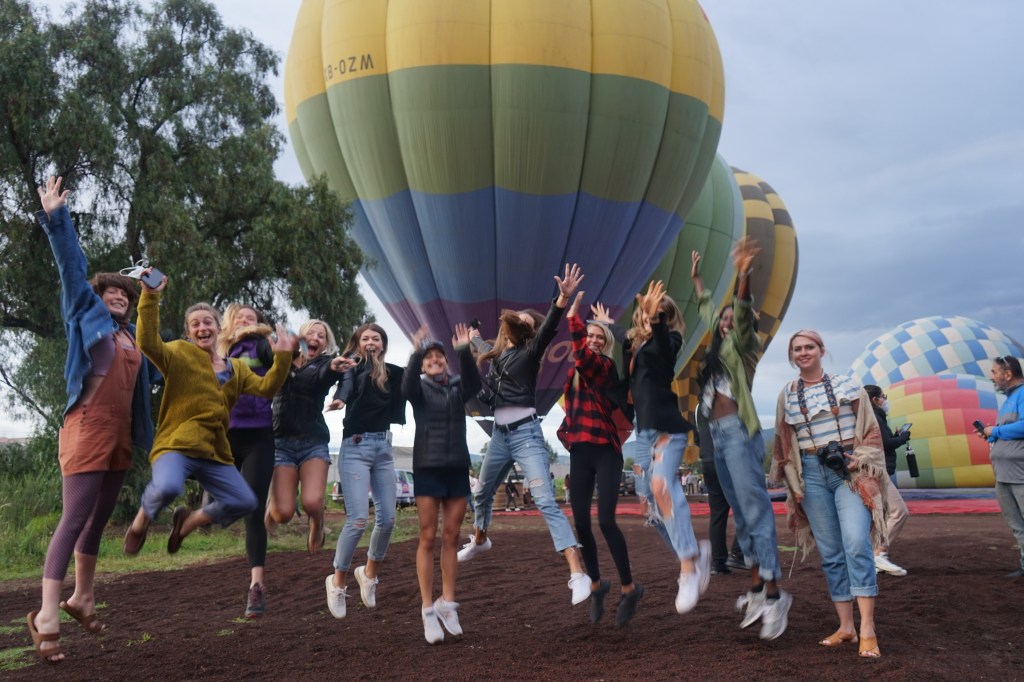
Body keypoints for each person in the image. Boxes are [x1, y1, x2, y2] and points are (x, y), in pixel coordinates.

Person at [27, 176, 159, 662]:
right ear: (97, 296)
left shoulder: (132, 340)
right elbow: (71, 266)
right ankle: (46, 613)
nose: (118, 296)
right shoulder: (84, 312)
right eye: (112, 292)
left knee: (98, 519)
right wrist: (57, 218)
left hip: (120, 436)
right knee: (75, 517)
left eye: (124, 294)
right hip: (86, 427)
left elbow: (155, 377)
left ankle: (82, 596)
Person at [122, 279, 295, 558]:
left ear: (218, 328)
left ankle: (190, 521)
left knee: (244, 501)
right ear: (189, 333)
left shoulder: (236, 368)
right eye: (195, 324)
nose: (202, 328)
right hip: (177, 445)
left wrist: (283, 357)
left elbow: (266, 389)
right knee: (168, 486)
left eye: (207, 322)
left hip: (214, 451)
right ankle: (141, 521)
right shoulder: (178, 353)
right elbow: (147, 341)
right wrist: (150, 296)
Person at [458, 264, 590, 606]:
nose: (520, 322)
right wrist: (472, 334)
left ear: (531, 333)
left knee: (544, 499)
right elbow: (480, 342)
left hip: (526, 436)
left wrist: (561, 301)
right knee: (482, 493)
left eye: (527, 323)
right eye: (519, 319)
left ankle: (577, 573)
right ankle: (480, 539)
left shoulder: (531, 353)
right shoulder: (497, 354)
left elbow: (548, 328)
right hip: (499, 437)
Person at [691, 239, 791, 639]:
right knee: (740, 514)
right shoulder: (716, 350)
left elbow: (743, 311)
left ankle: (775, 595)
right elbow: (707, 311)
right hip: (716, 437)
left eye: (733, 318)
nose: (727, 321)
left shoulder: (745, 346)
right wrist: (697, 281)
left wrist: (743, 273)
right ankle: (755, 590)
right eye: (724, 319)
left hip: (737, 431)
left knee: (755, 511)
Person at [773, 330, 888, 659]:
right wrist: (792, 479)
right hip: (810, 474)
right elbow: (784, 443)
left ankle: (868, 628)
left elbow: (870, 428)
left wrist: (860, 457)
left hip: (848, 470)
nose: (803, 352)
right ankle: (846, 627)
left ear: (821, 350)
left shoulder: (847, 385)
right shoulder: (787, 395)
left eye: (809, 347)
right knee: (831, 553)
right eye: (797, 349)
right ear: (791, 355)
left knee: (855, 542)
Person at [623, 280, 710, 615]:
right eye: (647, 313)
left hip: (666, 428)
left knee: (662, 485)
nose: (650, 317)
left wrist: (656, 318)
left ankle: (687, 568)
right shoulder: (636, 348)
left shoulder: (669, 340)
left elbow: (662, 350)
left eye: (660, 314)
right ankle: (691, 556)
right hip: (642, 433)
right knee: (650, 507)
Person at [557, 292, 643, 626]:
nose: (593, 340)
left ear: (605, 344)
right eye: (589, 335)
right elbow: (573, 408)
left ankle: (629, 587)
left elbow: (582, 356)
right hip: (580, 451)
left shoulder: (604, 367)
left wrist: (573, 318)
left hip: (606, 450)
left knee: (606, 520)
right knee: (581, 523)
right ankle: (596, 584)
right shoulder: (573, 374)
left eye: (599, 337)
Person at [402, 324, 481, 643]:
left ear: (447, 361)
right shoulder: (419, 389)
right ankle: (427, 610)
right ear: (423, 364)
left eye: (439, 356)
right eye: (429, 357)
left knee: (451, 536)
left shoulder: (458, 387)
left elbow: (474, 383)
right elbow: (406, 387)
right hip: (427, 467)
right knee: (428, 536)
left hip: (457, 467)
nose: (434, 359)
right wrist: (415, 351)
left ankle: (447, 603)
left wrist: (463, 350)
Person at [325, 323, 406, 618]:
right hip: (356, 448)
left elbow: (416, 379)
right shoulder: (352, 367)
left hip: (383, 449)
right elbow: (346, 384)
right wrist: (340, 399)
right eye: (365, 338)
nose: (371, 342)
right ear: (358, 344)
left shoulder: (393, 373)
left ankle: (369, 574)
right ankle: (337, 582)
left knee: (389, 519)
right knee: (358, 520)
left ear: (383, 344)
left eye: (376, 339)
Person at [266, 319, 350, 560]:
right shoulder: (280, 359)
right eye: (311, 333)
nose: (315, 338)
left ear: (325, 344)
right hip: (280, 442)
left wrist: (335, 375)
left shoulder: (325, 364)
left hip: (313, 441)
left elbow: (327, 375)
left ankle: (318, 522)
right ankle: (273, 507)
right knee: (282, 514)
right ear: (299, 337)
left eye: (321, 336)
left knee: (312, 502)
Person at [214, 304, 277, 617]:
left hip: (258, 435)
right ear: (229, 323)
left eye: (251, 318)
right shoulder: (218, 349)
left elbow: (280, 360)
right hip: (224, 432)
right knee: (217, 508)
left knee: (254, 509)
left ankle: (256, 586)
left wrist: (285, 348)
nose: (245, 321)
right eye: (240, 318)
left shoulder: (262, 346)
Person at [978, 355, 1024, 578]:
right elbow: (1010, 431)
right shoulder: (1008, 400)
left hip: (1020, 475)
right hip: (1004, 475)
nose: (992, 376)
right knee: (1017, 524)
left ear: (1008, 374)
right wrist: (990, 435)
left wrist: (995, 431)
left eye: (994, 372)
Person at [863, 384, 911, 577]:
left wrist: (896, 437)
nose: (885, 400)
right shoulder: (875, 417)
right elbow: (884, 444)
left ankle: (871, 558)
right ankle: (879, 553)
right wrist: (902, 438)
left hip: (875, 470)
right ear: (875, 400)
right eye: (883, 397)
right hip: (877, 471)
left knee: (879, 518)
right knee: (899, 511)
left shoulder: (871, 417)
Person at [695, 412, 745, 576]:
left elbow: (697, 438)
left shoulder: (698, 408)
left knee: (717, 514)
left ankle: (718, 562)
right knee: (746, 507)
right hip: (726, 458)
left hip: (707, 462)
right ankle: (738, 552)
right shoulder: (726, 402)